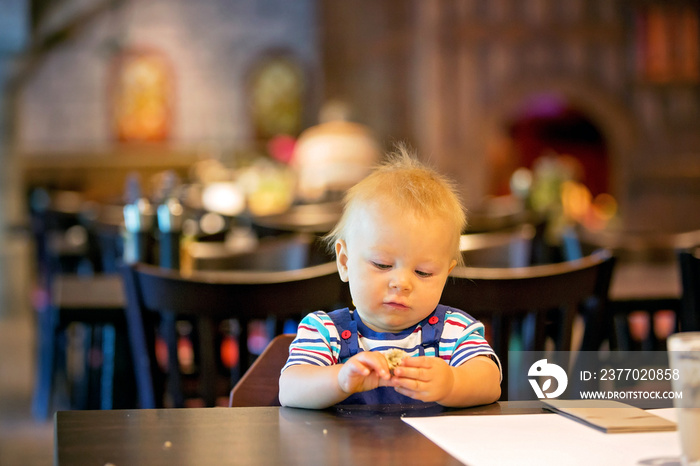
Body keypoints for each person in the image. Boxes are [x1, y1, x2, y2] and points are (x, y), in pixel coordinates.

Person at [278, 147, 502, 409]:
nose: (401, 283)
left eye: (423, 272)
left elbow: (490, 382)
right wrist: (340, 380)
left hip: (430, 450)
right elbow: (290, 389)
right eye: (382, 265)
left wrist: (452, 382)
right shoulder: (326, 333)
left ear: (445, 275)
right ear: (345, 261)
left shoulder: (453, 332)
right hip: (346, 449)